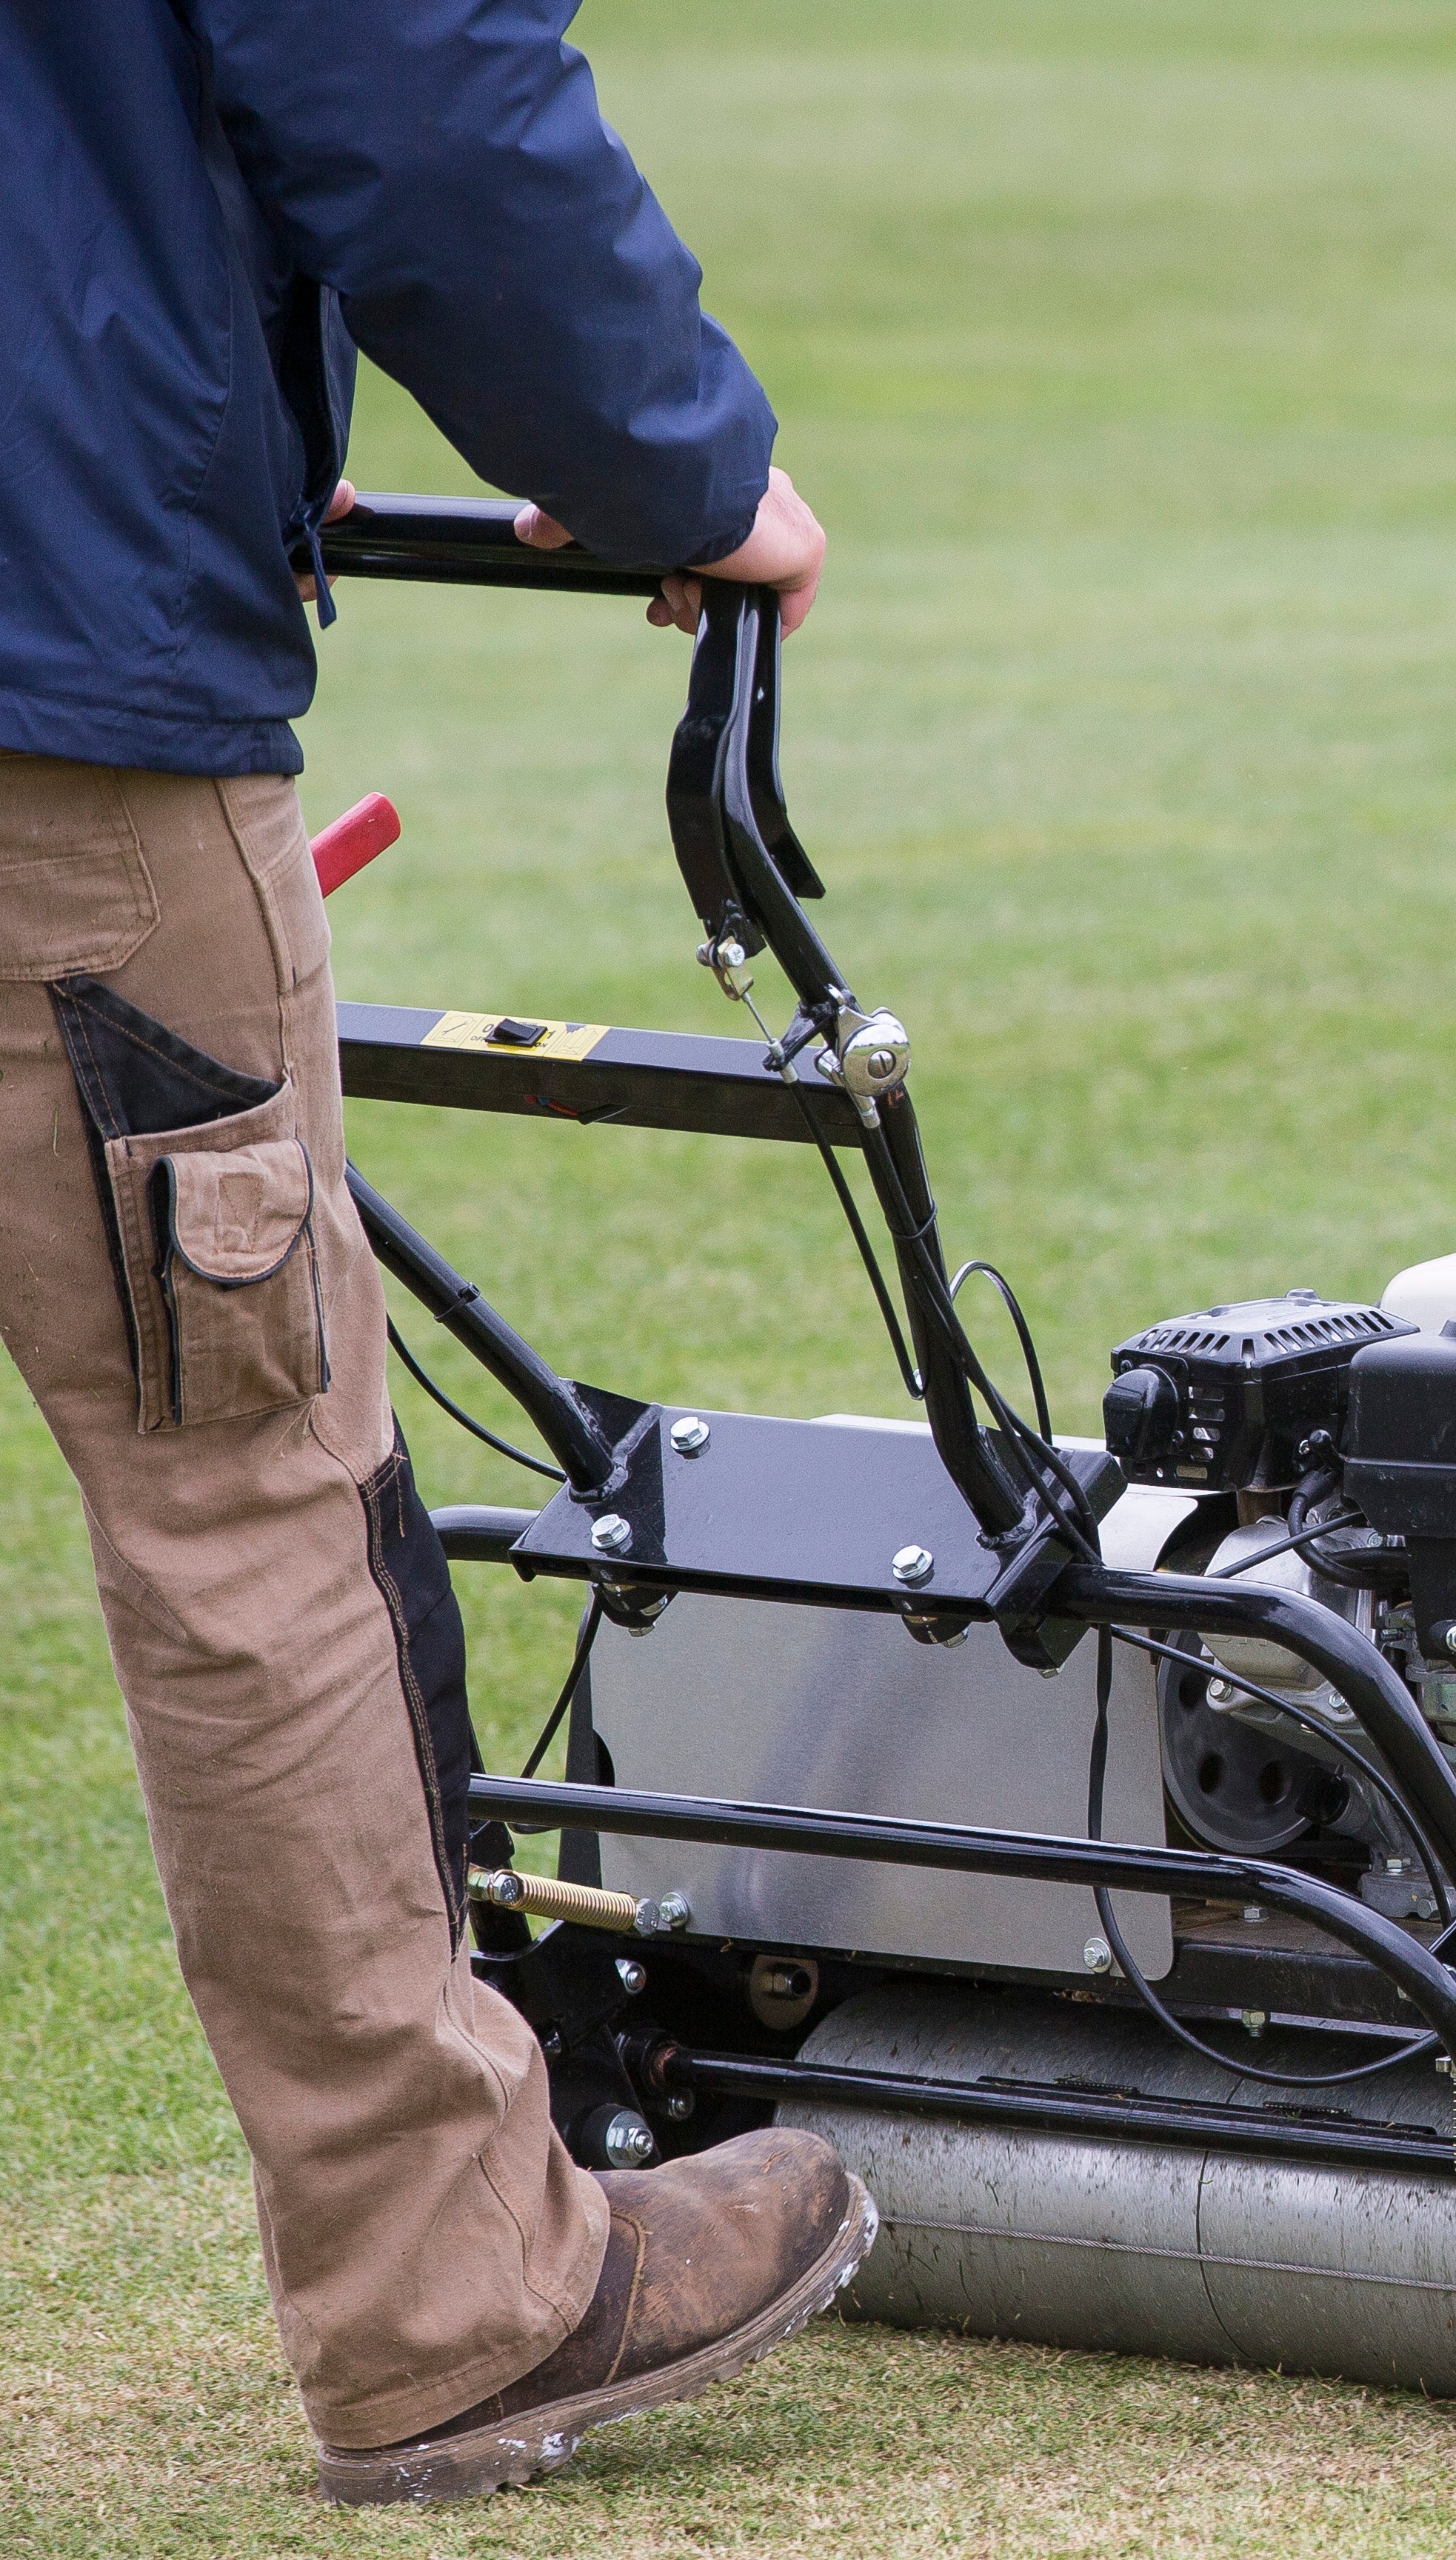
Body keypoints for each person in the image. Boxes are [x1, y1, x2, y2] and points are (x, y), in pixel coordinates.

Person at [5, 1, 876, 2507]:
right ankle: (452, 2294)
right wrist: (679, 471)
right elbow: (422, 97)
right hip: (58, 709)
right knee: (246, 1479)